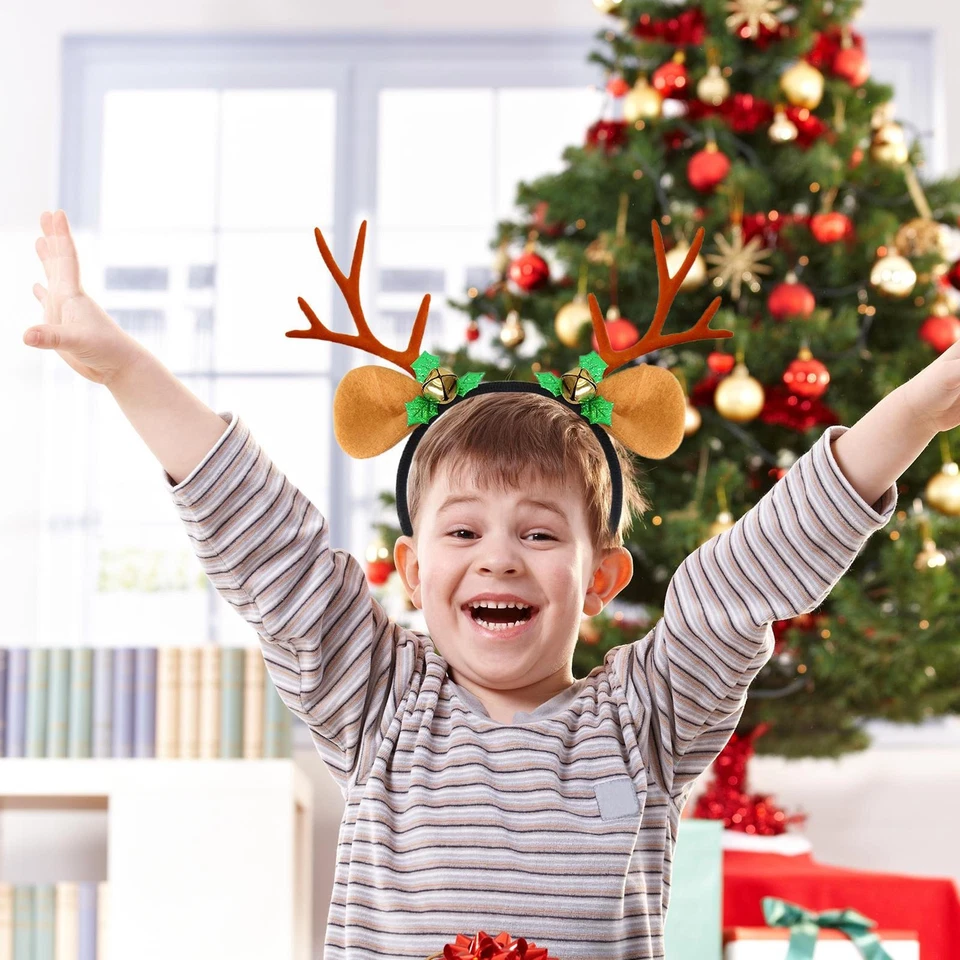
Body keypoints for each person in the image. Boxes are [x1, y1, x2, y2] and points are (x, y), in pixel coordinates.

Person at [24, 208, 958, 959]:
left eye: (540, 533)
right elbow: (269, 547)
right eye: (464, 531)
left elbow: (742, 581)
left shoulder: (647, 719)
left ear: (601, 579)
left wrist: (920, 409)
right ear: (413, 570)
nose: (499, 558)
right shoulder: (377, 701)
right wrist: (125, 369)